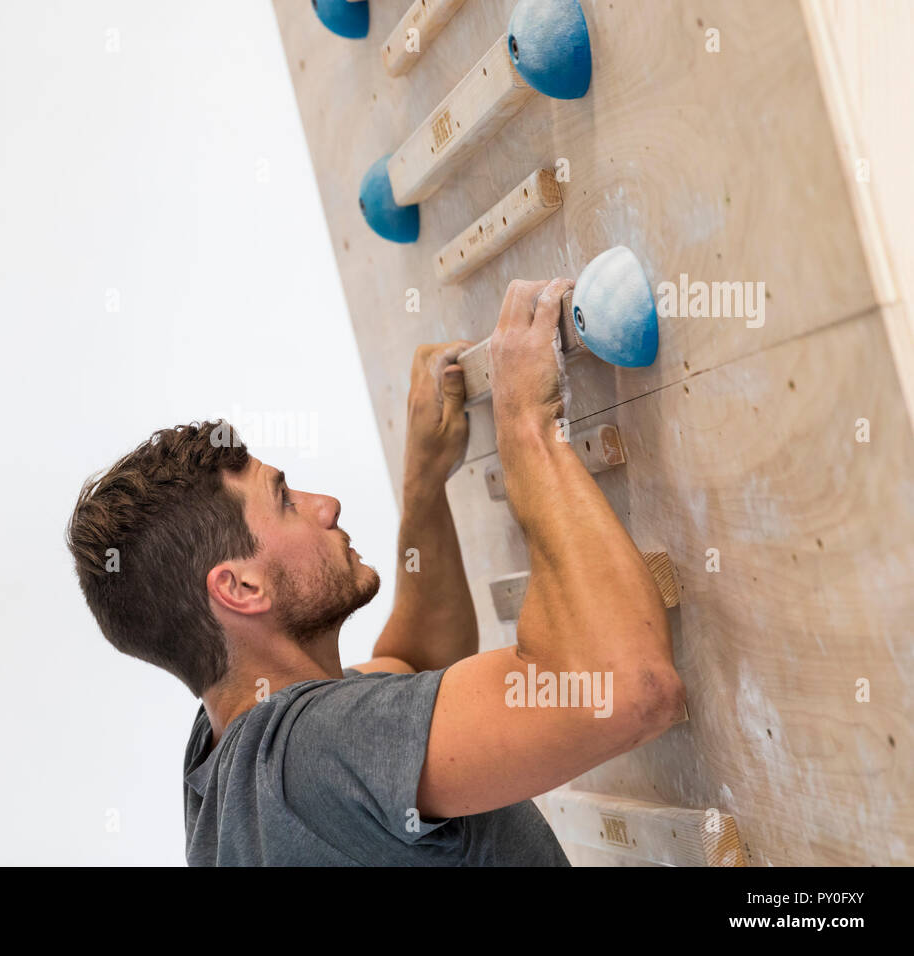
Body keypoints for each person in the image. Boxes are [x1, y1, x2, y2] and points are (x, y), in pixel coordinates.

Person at [66, 278, 687, 865]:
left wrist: (423, 483)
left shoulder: (228, 764)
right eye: (284, 500)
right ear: (240, 587)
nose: (324, 505)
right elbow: (629, 690)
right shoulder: (309, 753)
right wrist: (526, 422)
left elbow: (416, 662)